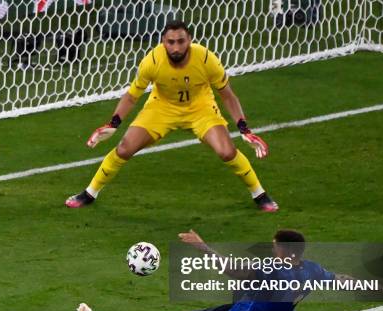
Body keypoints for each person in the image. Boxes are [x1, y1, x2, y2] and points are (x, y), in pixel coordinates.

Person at [66, 20, 278, 212]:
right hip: (162, 107)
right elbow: (131, 96)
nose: (176, 47)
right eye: (170, 42)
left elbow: (228, 96)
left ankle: (259, 194)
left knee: (226, 151)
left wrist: (244, 129)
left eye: (180, 41)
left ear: (190, 40)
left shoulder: (206, 59)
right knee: (124, 148)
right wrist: (113, 123)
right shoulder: (152, 61)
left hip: (200, 107)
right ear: (163, 42)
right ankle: (90, 193)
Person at [76, 229, 354, 311]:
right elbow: (339, 278)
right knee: (252, 289)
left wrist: (202, 247)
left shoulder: (273, 269)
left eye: (274, 246)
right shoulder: (312, 270)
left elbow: (232, 269)